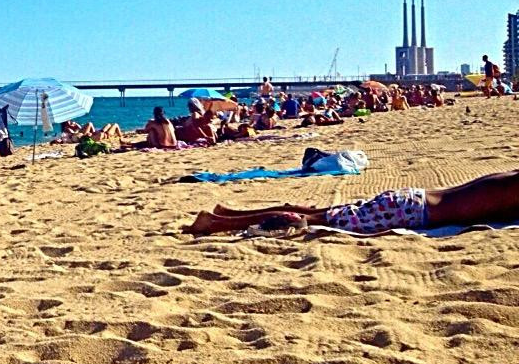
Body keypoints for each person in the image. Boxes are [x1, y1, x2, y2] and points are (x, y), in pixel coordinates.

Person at [183, 169, 519, 236]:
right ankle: (217, 224)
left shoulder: (509, 177)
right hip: (409, 211)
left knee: (317, 213)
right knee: (309, 222)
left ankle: (227, 214)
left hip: (409, 199)